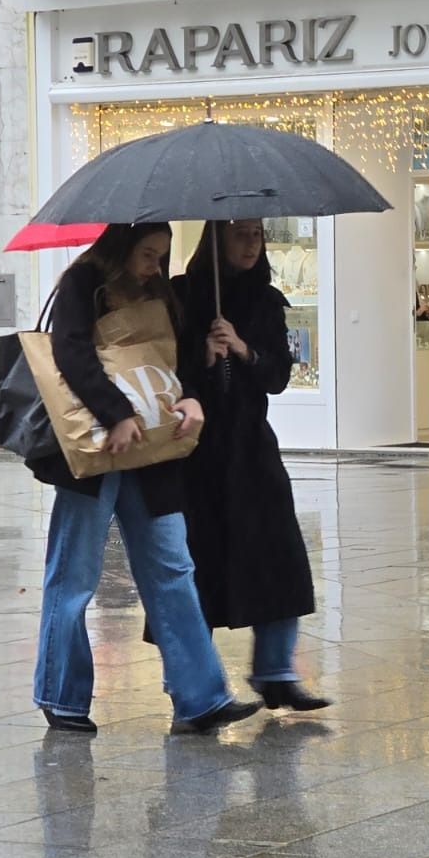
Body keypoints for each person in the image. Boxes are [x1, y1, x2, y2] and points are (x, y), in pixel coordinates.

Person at [29, 223, 262, 735]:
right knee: (74, 576)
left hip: (153, 452)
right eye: (148, 254)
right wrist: (115, 413)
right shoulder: (82, 284)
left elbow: (172, 362)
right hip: (97, 450)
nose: (156, 265)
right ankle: (61, 696)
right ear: (120, 248)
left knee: (173, 568)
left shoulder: (160, 292)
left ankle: (200, 698)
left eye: (162, 254)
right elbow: (70, 353)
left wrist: (194, 395)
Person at [172, 220, 328, 711]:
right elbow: (167, 372)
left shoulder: (266, 300)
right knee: (200, 563)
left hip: (251, 447)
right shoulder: (182, 297)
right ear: (216, 239)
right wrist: (202, 355)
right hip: (196, 451)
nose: (251, 243)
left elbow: (278, 376)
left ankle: (276, 670)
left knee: (278, 554)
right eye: (240, 234)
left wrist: (243, 349)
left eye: (257, 235)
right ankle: (193, 685)